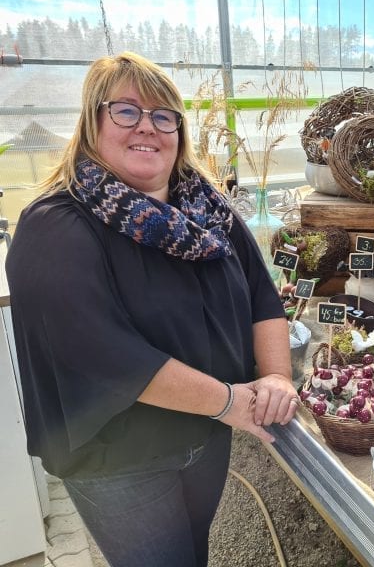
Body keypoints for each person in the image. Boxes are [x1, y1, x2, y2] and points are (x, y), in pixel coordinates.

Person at [6, 51, 299, 567]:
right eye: (126, 111)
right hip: (119, 460)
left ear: (179, 132)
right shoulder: (55, 226)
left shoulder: (209, 212)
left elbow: (261, 294)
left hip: (205, 436)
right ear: (92, 121)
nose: (148, 127)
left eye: (164, 116)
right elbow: (105, 354)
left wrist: (276, 375)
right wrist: (228, 401)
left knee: (192, 555)